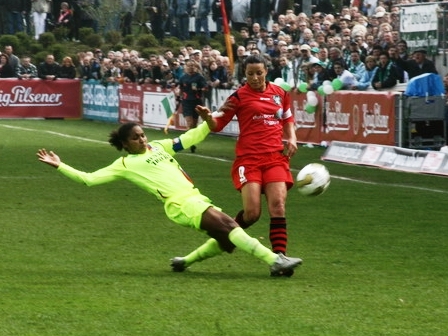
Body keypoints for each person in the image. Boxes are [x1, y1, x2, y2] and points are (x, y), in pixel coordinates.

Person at [36, 121, 302, 276]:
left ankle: (184, 262)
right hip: (179, 204)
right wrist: (60, 165)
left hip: (194, 196)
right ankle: (275, 261)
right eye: (136, 138)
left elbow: (187, 138)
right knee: (231, 226)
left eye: (142, 134)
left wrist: (208, 123)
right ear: (126, 144)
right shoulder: (125, 164)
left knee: (225, 238)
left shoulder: (159, 146)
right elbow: (88, 179)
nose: (142, 139)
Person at [194, 54, 298, 277]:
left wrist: (292, 138)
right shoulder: (239, 97)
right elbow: (217, 125)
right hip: (248, 160)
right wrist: (208, 117)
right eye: (250, 74)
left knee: (278, 205)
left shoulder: (280, 94)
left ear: (266, 71)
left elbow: (288, 119)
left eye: (259, 73)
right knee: (252, 213)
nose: (255, 78)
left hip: (274, 158)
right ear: (244, 74)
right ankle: (226, 235)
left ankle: (279, 259)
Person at [178, 59, 207, 153]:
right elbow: (180, 88)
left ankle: (192, 143)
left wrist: (198, 89)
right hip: (186, 102)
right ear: (186, 67)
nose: (191, 67)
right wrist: (178, 94)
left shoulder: (199, 77)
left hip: (196, 102)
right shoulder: (183, 77)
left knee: (194, 125)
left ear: (196, 67)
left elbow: (205, 88)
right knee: (189, 123)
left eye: (192, 65)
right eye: (189, 65)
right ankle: (188, 142)